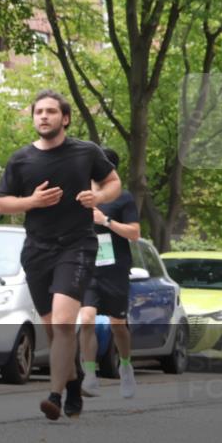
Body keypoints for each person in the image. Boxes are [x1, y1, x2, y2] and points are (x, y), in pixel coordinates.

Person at [0, 89, 120, 420]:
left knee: (64, 322)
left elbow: (113, 183)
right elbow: (2, 203)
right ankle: (73, 382)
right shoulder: (21, 159)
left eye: (51, 111)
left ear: (65, 118)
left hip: (76, 245)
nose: (44, 116)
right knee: (53, 330)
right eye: (39, 112)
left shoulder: (86, 152)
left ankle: (54, 395)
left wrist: (98, 197)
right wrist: (32, 202)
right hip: (37, 250)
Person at [79, 147, 140, 399]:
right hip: (88, 267)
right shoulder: (81, 195)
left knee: (118, 325)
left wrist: (105, 221)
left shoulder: (123, 198)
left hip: (115, 268)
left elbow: (134, 233)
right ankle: (90, 375)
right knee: (86, 319)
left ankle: (125, 366)